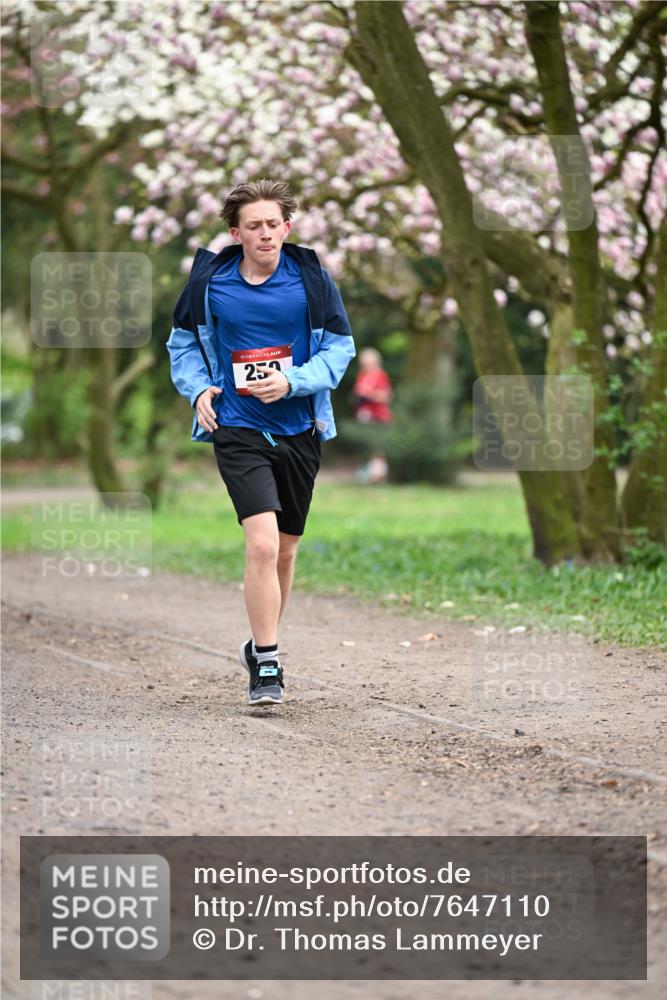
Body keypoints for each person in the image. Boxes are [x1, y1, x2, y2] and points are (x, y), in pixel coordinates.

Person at [166, 180, 355, 707]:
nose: (265, 233)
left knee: (287, 551)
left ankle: (257, 642)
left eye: (273, 224)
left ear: (286, 229)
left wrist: (294, 382)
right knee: (263, 544)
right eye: (254, 226)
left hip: (300, 428)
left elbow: (340, 349)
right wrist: (201, 387)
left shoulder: (312, 279)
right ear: (236, 233)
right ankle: (268, 663)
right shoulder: (210, 282)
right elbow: (182, 344)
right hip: (237, 426)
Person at [352, 347, 393, 484]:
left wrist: (368, 394)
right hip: (365, 417)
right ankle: (368, 476)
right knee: (367, 448)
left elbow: (386, 397)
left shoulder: (381, 375)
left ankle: (378, 477)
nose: (364, 366)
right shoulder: (362, 375)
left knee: (377, 449)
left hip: (379, 416)